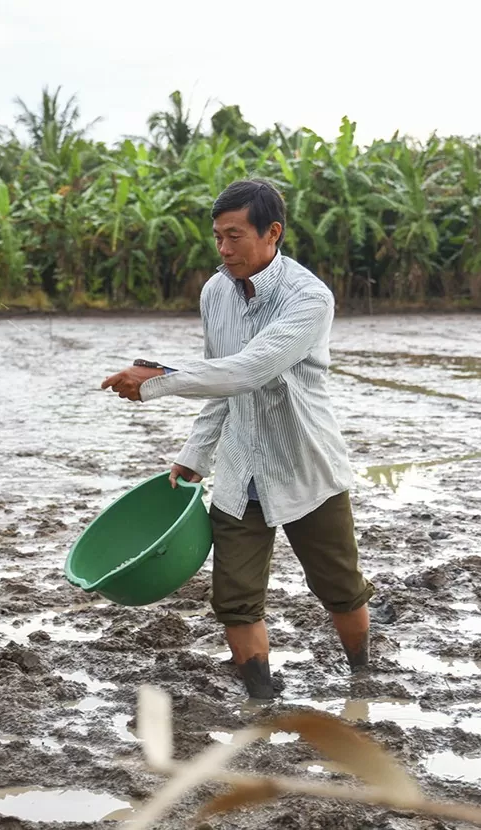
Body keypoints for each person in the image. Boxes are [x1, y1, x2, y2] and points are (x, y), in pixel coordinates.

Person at [101, 179, 375, 700]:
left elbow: (250, 370)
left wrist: (157, 381)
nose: (224, 250)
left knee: (339, 587)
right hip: (238, 472)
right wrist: (195, 455)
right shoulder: (215, 291)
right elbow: (219, 381)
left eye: (235, 236)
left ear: (272, 233)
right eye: (217, 237)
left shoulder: (309, 298)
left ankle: (362, 675)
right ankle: (261, 699)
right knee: (235, 599)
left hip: (304, 467)